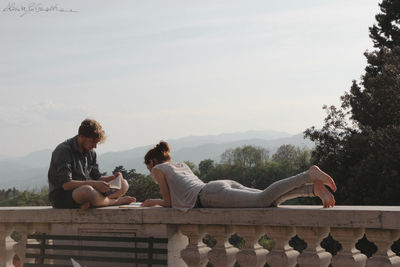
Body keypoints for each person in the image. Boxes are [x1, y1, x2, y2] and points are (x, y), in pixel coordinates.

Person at [142, 141, 336, 211]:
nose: (150, 171)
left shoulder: (159, 170)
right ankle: (312, 189)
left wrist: (152, 202)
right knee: (269, 201)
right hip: (217, 186)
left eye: (148, 167)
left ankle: (307, 175)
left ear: (152, 163)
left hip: (209, 195)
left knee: (263, 199)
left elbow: (168, 202)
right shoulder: (180, 165)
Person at [48, 119, 136, 210]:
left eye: (96, 143)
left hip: (87, 189)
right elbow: (66, 185)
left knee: (124, 184)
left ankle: (95, 202)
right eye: (92, 142)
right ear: (81, 136)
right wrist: (94, 184)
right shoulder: (63, 151)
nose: (95, 146)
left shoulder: (91, 153)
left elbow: (97, 177)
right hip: (63, 196)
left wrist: (113, 178)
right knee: (88, 191)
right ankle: (114, 201)